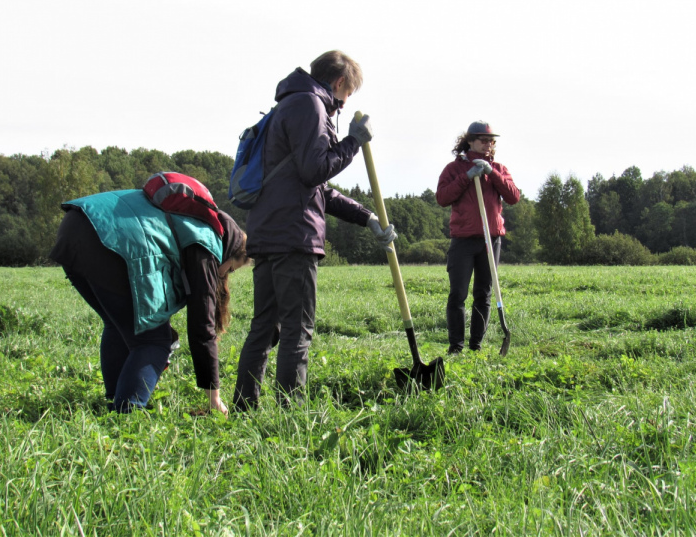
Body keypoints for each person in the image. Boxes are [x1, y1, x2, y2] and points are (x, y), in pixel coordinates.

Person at [233, 50, 397, 410]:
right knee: (296, 330)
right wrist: (353, 142)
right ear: (340, 84)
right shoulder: (311, 105)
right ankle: (290, 415)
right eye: (348, 95)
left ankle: (245, 410)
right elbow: (315, 171)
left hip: (270, 233)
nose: (343, 105)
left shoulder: (290, 103)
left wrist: (367, 217)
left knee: (264, 329)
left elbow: (314, 186)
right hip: (294, 236)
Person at [50, 188, 248, 414]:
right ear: (230, 252)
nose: (225, 276)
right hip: (105, 237)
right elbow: (202, 327)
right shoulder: (207, 243)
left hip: (76, 225)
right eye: (230, 269)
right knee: (154, 339)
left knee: (118, 325)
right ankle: (127, 415)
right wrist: (214, 398)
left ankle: (115, 401)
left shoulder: (197, 222)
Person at [435, 121, 520, 354]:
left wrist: (492, 174)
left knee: (484, 294)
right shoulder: (453, 169)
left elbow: (513, 197)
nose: (488, 145)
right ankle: (456, 347)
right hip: (463, 240)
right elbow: (442, 198)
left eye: (491, 141)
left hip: (491, 240)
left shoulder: (499, 169)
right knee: (458, 294)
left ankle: (476, 346)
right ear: (470, 141)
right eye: (483, 140)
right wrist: (467, 176)